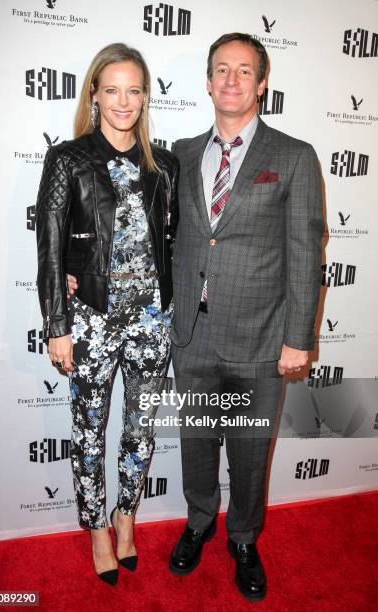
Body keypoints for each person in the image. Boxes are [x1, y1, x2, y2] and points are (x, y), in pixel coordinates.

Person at [66, 32, 323, 600]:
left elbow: (306, 253)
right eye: (221, 70)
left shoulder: (293, 156)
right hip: (188, 334)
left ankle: (244, 538)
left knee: (252, 449)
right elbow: (135, 225)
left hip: (260, 338)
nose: (231, 80)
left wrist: (298, 338)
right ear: (207, 83)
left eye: (244, 71)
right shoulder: (175, 155)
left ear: (261, 84)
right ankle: (200, 520)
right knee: (197, 441)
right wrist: (75, 265)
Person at [36, 42, 179, 586]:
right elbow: (49, 247)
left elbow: (176, 243)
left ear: (146, 98)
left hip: (152, 321)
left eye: (134, 90)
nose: (124, 101)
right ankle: (96, 526)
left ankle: (126, 518)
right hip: (91, 318)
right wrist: (57, 323)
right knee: (90, 431)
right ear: (94, 94)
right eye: (112, 89)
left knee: (140, 431)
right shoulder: (69, 159)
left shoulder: (164, 165)